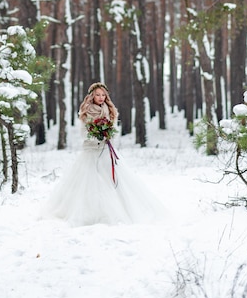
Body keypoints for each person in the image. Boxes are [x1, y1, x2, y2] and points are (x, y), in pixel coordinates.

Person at [42, 82, 167, 227]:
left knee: (111, 181)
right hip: (90, 151)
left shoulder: (111, 110)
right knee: (89, 182)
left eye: (103, 95)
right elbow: (83, 133)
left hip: (107, 151)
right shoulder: (86, 111)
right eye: (97, 95)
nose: (101, 98)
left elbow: (114, 131)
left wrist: (108, 135)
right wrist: (97, 135)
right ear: (91, 96)